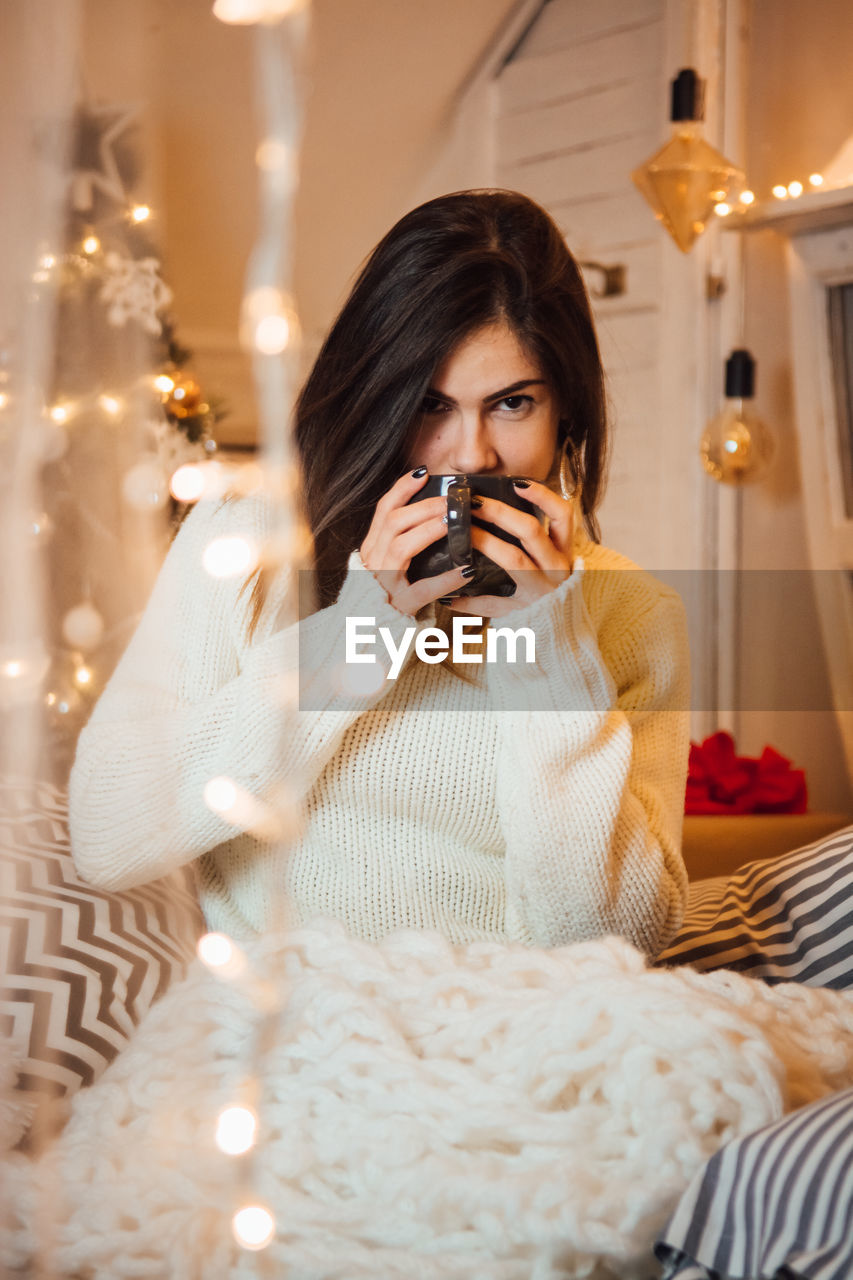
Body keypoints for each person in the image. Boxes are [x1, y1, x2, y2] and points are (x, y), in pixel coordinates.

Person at [69, 189, 690, 957]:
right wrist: (358, 639)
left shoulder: (633, 613)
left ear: (565, 410)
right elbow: (106, 833)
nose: (470, 455)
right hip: (302, 1029)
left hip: (522, 1029)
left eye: (511, 404)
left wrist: (552, 654)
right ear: (377, 398)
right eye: (430, 404)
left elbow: (616, 944)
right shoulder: (247, 543)